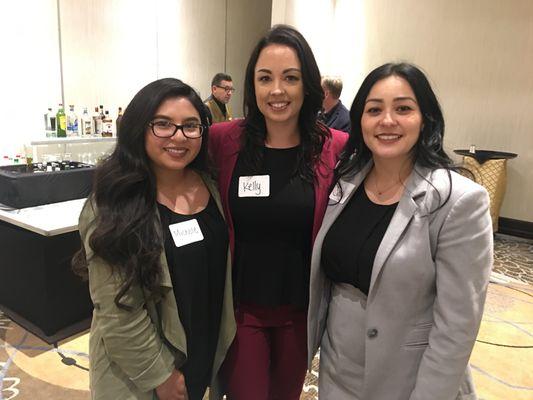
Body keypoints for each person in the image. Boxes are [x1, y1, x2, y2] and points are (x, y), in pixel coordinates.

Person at [307, 62, 493, 400]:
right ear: (360, 119)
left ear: (425, 119)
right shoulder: (346, 183)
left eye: (403, 109)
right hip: (337, 373)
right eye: (374, 109)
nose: (387, 121)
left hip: (409, 379)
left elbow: (457, 327)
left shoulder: (458, 201)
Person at [73, 78, 236, 400]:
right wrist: (159, 374)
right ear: (138, 128)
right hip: (141, 371)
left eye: (191, 126)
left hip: (200, 346)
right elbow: (116, 310)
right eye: (163, 125)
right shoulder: (112, 203)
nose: (178, 136)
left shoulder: (212, 186)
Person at [208, 25, 348, 400]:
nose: (277, 91)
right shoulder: (224, 141)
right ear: (252, 85)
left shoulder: (335, 148)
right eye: (265, 78)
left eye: (290, 78)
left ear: (308, 86)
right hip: (241, 311)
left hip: (300, 313)